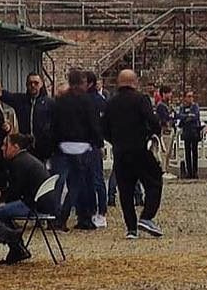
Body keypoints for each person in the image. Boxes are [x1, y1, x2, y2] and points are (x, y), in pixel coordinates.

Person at [103, 69, 166, 239]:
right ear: (134, 82)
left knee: (125, 190)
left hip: (120, 152)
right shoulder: (140, 99)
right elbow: (152, 120)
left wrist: (115, 141)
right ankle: (146, 217)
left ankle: (131, 229)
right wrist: (153, 133)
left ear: (118, 82)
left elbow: (103, 128)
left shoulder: (111, 103)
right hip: (140, 149)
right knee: (154, 182)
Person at [0, 134, 50, 264]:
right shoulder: (27, 159)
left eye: (5, 145)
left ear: (15, 147)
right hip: (43, 202)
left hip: (32, 205)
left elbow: (16, 192)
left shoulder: (18, 163)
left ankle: (16, 246)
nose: (2, 148)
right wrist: (1, 193)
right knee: (3, 214)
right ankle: (16, 246)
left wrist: (2, 201)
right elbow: (18, 188)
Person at [52, 69, 102, 230]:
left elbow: (54, 124)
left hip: (63, 145)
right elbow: (93, 124)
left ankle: (56, 215)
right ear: (82, 83)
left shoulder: (60, 101)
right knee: (78, 184)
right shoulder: (87, 101)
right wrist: (98, 142)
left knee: (59, 183)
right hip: (82, 146)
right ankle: (71, 217)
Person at [2, 72, 54, 161]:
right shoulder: (21, 100)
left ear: (41, 84)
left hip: (44, 148)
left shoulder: (49, 103)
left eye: (36, 83)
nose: (33, 85)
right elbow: (5, 95)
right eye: (30, 83)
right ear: (26, 85)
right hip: (25, 147)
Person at [85, 71, 109, 229]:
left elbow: (99, 125)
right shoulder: (98, 101)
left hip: (91, 145)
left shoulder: (95, 101)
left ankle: (100, 211)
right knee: (91, 179)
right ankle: (95, 210)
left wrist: (99, 143)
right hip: (90, 144)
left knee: (96, 179)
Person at [177, 90, 203, 179]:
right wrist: (188, 116)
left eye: (192, 96)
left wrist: (187, 117)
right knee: (187, 152)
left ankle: (195, 171)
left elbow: (195, 116)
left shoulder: (195, 106)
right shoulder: (182, 107)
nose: (190, 98)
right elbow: (180, 116)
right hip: (186, 131)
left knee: (194, 152)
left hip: (194, 131)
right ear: (185, 98)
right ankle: (189, 171)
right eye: (188, 96)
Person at [154, 85, 176, 177]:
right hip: (165, 130)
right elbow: (164, 118)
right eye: (169, 93)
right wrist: (171, 118)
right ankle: (163, 170)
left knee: (168, 151)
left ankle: (166, 169)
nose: (170, 95)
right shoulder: (161, 106)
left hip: (170, 129)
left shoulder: (168, 105)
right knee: (164, 151)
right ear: (164, 94)